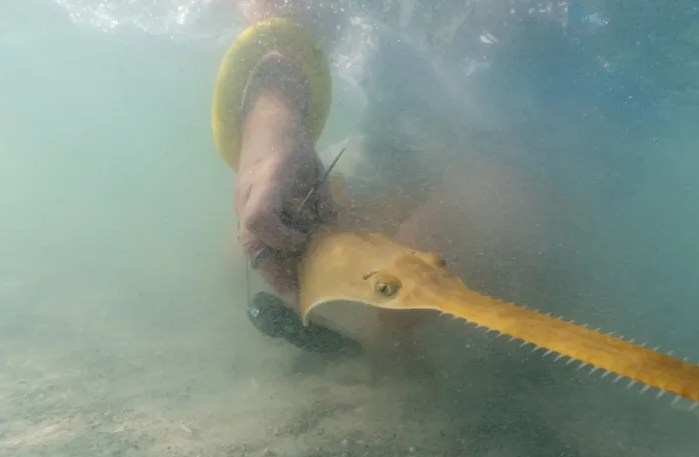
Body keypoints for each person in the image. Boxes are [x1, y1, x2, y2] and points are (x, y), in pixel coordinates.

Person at [215, 1, 581, 354]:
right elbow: (289, 11)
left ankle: (389, 367)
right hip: (395, 141)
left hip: (517, 151)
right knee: (252, 253)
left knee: (402, 308)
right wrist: (273, 112)